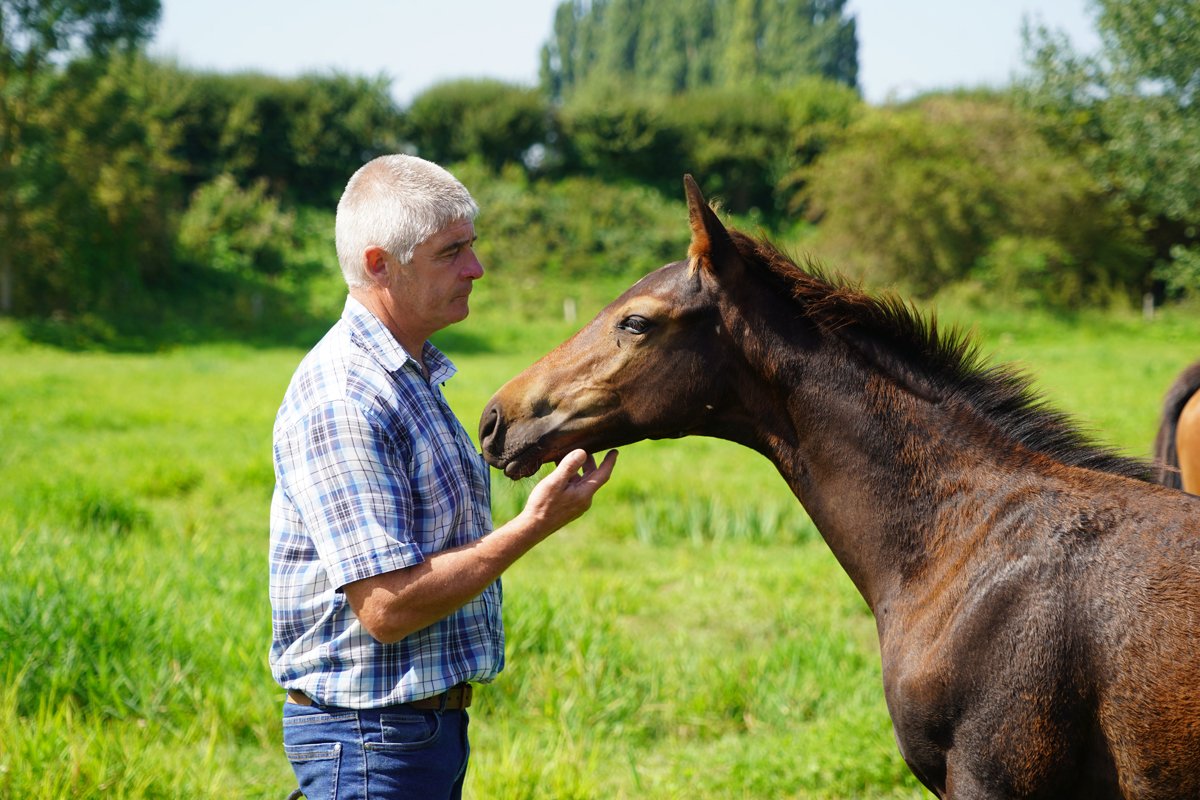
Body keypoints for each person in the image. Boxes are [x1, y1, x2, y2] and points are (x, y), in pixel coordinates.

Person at [268, 154, 618, 800]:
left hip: (409, 737)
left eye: (471, 246)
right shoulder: (347, 395)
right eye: (451, 252)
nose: (476, 268)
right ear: (379, 265)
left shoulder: (412, 375)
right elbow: (386, 607)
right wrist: (534, 524)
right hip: (370, 742)